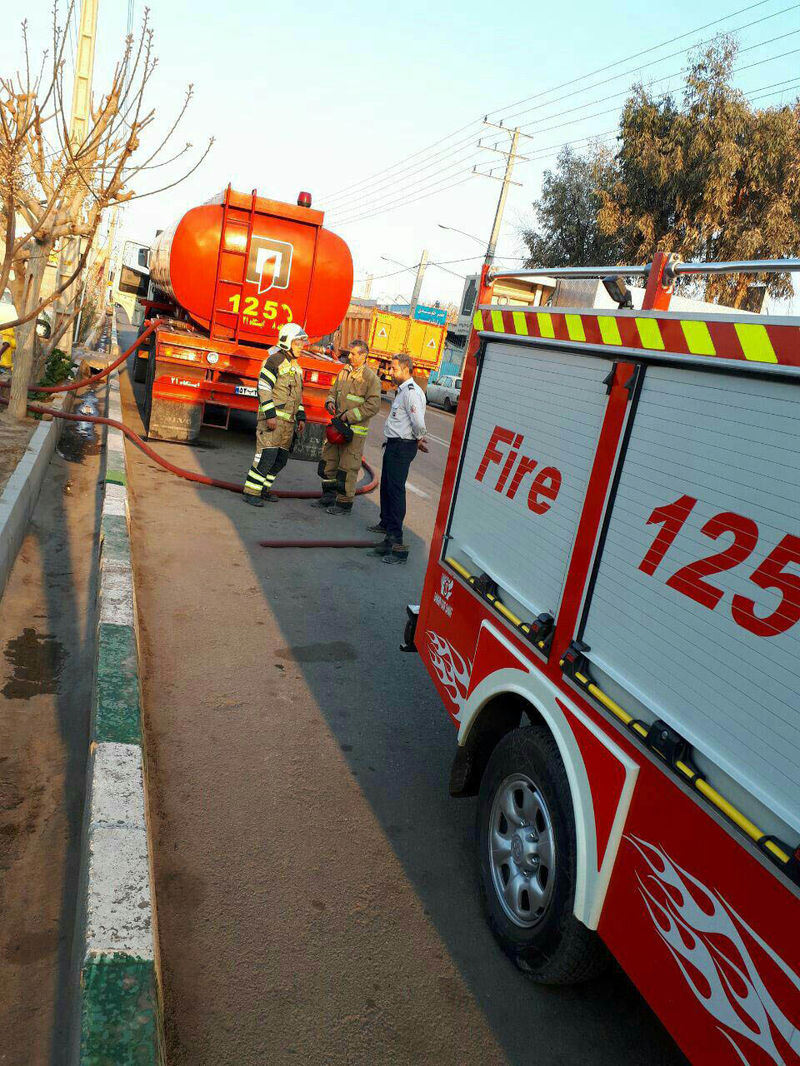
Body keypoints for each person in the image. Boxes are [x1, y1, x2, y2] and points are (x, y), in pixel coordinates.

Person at [368, 353, 427, 564]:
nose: (390, 372)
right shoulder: (402, 391)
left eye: (393, 369)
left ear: (405, 369)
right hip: (394, 444)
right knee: (386, 486)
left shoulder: (411, 393)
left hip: (402, 446)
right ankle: (386, 524)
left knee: (395, 490)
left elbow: (418, 421)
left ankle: (396, 538)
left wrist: (419, 438)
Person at [242, 322, 307, 507]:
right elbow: (263, 388)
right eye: (298, 343)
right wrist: (270, 414)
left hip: (288, 424)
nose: (301, 347)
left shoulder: (296, 366)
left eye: (302, 343)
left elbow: (297, 395)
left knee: (280, 460)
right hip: (273, 421)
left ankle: (263, 489)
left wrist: (301, 416)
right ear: (286, 342)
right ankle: (251, 492)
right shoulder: (274, 361)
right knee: (265, 457)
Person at [314, 339, 381, 515]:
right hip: (337, 429)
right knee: (329, 462)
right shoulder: (344, 372)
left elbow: (373, 406)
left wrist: (349, 416)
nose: (349, 356)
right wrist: (329, 402)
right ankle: (328, 497)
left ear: (363, 356)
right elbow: (333, 392)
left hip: (354, 432)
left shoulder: (370, 378)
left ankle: (344, 504)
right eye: (349, 353)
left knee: (347, 468)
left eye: (353, 353)